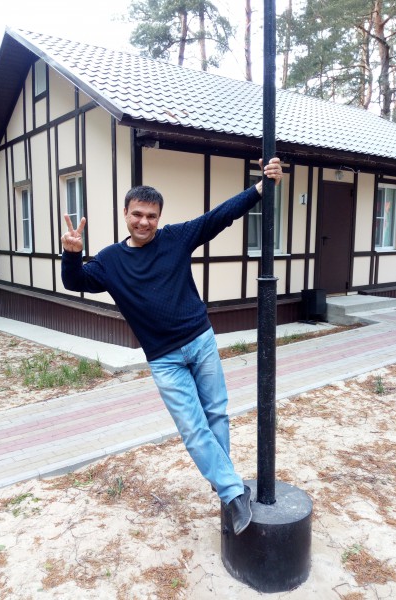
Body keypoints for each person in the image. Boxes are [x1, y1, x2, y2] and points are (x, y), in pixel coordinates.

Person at [61, 157, 283, 535]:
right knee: (193, 429)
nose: (144, 222)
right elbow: (75, 281)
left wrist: (260, 189)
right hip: (164, 359)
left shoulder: (176, 238)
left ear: (159, 217)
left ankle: (225, 485)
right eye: (137, 214)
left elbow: (218, 217)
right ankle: (233, 492)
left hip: (200, 341)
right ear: (125, 214)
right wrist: (71, 253)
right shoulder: (111, 260)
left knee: (217, 415)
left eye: (151, 216)